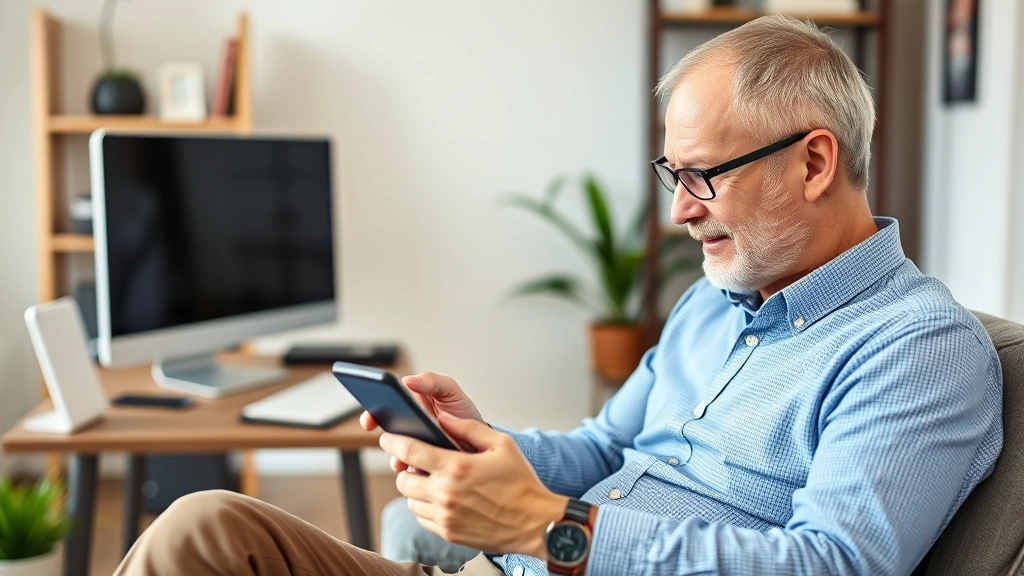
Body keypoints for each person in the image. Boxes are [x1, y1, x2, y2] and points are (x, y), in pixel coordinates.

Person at [114, 15, 1003, 576]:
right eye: (673, 175)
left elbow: (832, 566)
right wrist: (484, 443)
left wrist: (553, 531)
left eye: (702, 176)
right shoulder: (713, 303)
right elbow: (604, 448)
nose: (679, 211)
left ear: (813, 162)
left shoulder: (916, 349)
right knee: (205, 529)